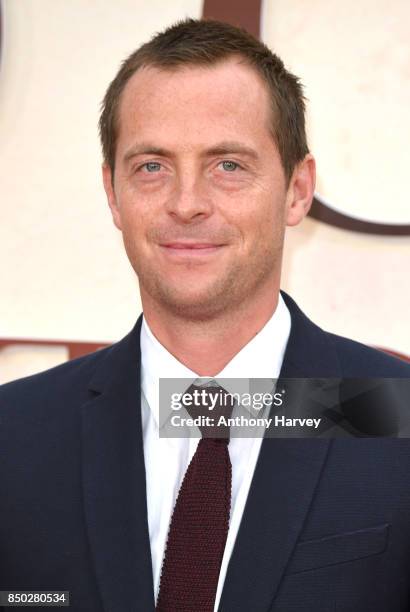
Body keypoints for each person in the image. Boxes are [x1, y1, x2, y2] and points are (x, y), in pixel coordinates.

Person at [1, 18, 410, 612]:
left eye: (228, 165)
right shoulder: (14, 437)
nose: (187, 203)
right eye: (151, 166)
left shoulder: (393, 416)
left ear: (297, 189)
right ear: (113, 194)